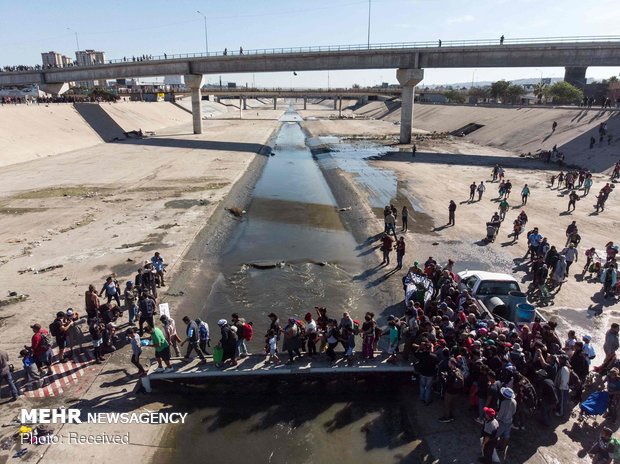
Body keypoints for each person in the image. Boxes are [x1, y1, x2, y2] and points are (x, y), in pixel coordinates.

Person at [496, 387, 517, 454]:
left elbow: (500, 414)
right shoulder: (514, 401)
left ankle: (494, 446)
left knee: (496, 435)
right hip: (509, 420)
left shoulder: (504, 403)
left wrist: (497, 419)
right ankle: (503, 448)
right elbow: (514, 411)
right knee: (506, 435)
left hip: (502, 422)